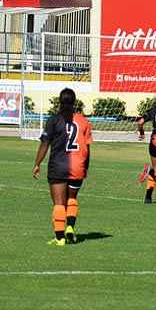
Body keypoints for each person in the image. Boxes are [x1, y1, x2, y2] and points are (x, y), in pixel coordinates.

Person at [33, 88, 92, 246]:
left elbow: (45, 143)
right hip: (78, 166)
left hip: (58, 166)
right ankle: (70, 227)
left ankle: (59, 238)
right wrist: (85, 167)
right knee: (72, 198)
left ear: (60, 102)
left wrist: (37, 164)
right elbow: (88, 148)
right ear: (74, 103)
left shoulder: (53, 120)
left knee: (59, 203)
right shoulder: (84, 121)